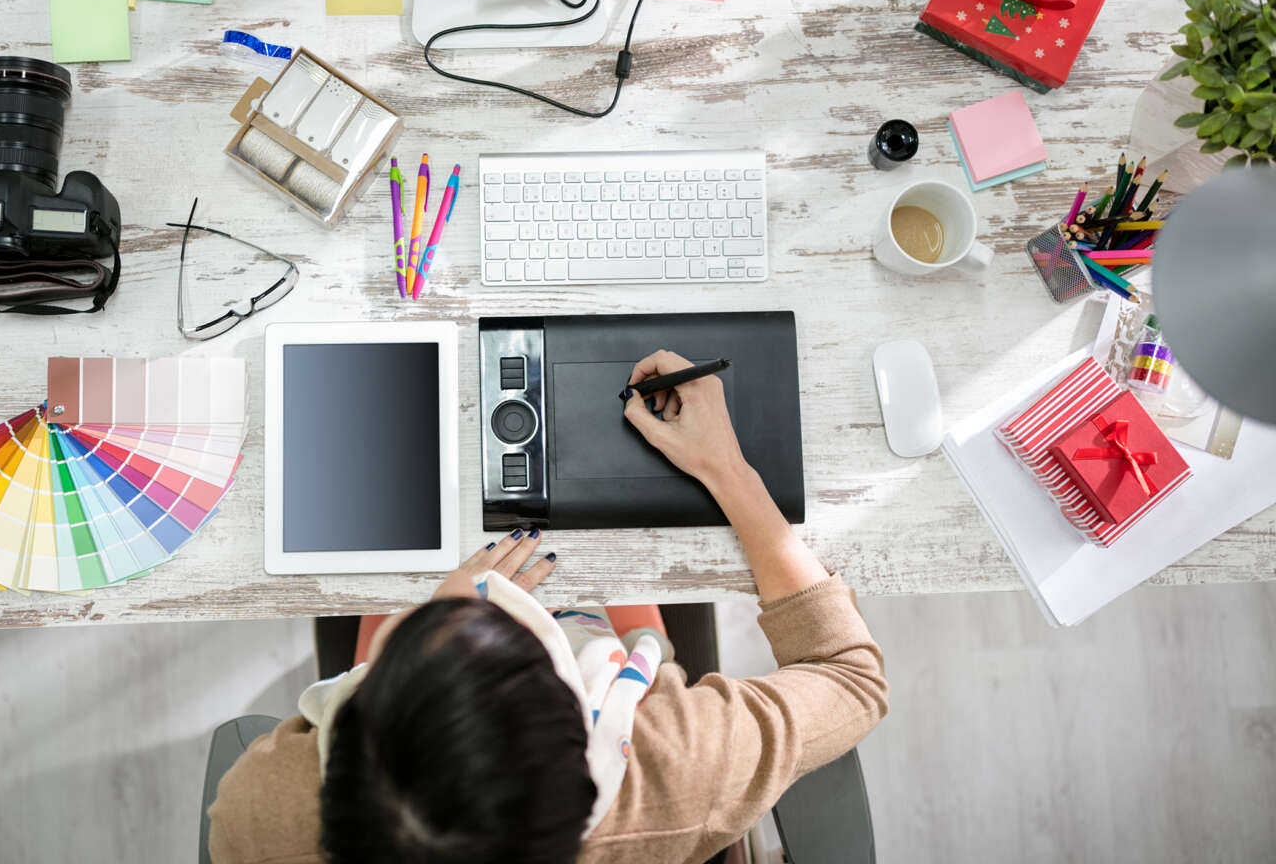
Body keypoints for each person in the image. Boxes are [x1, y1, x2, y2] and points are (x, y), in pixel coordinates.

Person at [208, 350, 889, 864]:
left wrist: (426, 611)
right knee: (636, 616)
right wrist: (730, 471)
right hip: (630, 694)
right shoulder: (677, 771)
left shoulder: (263, 820)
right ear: (583, 725)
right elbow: (851, 678)